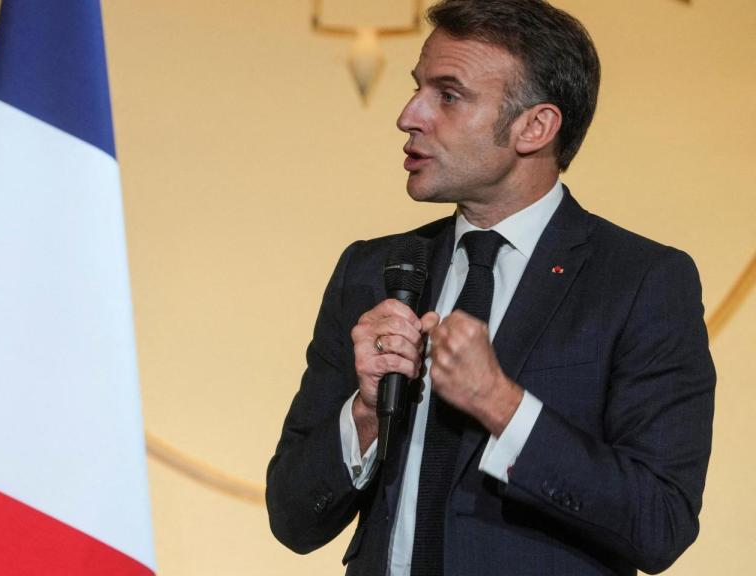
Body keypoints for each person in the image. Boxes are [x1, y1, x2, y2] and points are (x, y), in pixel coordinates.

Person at [265, 1, 716, 574]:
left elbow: (661, 524)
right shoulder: (373, 269)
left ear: (535, 127)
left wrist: (501, 405)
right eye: (417, 88)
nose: (410, 115)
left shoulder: (640, 281)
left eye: (448, 95)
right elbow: (292, 518)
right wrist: (366, 415)